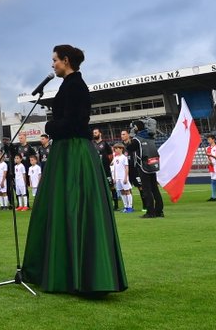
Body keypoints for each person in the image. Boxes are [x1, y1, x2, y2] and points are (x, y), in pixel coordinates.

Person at [21, 44, 127, 295]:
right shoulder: (70, 85)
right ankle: (68, 273)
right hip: (68, 150)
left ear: (66, 60)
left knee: (72, 206)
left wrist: (49, 126)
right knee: (64, 207)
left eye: (55, 60)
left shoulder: (75, 86)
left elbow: (74, 122)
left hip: (73, 151)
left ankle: (80, 276)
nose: (52, 64)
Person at [126, 121, 164, 218]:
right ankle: (159, 211)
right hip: (152, 164)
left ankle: (150, 212)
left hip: (143, 166)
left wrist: (129, 138)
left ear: (135, 127)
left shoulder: (137, 139)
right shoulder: (151, 137)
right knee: (155, 189)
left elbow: (129, 148)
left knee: (146, 190)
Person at [93, 129, 118, 211]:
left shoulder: (105, 143)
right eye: (93, 133)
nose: (94, 134)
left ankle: (116, 205)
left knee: (111, 186)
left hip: (106, 169)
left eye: (96, 133)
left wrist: (106, 163)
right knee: (99, 187)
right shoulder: (92, 144)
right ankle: (102, 205)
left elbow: (110, 155)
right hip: (96, 170)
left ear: (100, 133)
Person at [111, 144, 135, 213]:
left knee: (127, 191)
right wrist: (114, 178)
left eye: (117, 148)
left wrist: (126, 177)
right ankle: (125, 206)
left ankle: (130, 207)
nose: (116, 150)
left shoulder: (124, 157)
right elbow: (114, 168)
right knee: (121, 191)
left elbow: (126, 168)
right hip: (117, 178)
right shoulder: (115, 158)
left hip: (123, 177)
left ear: (121, 149)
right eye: (115, 149)